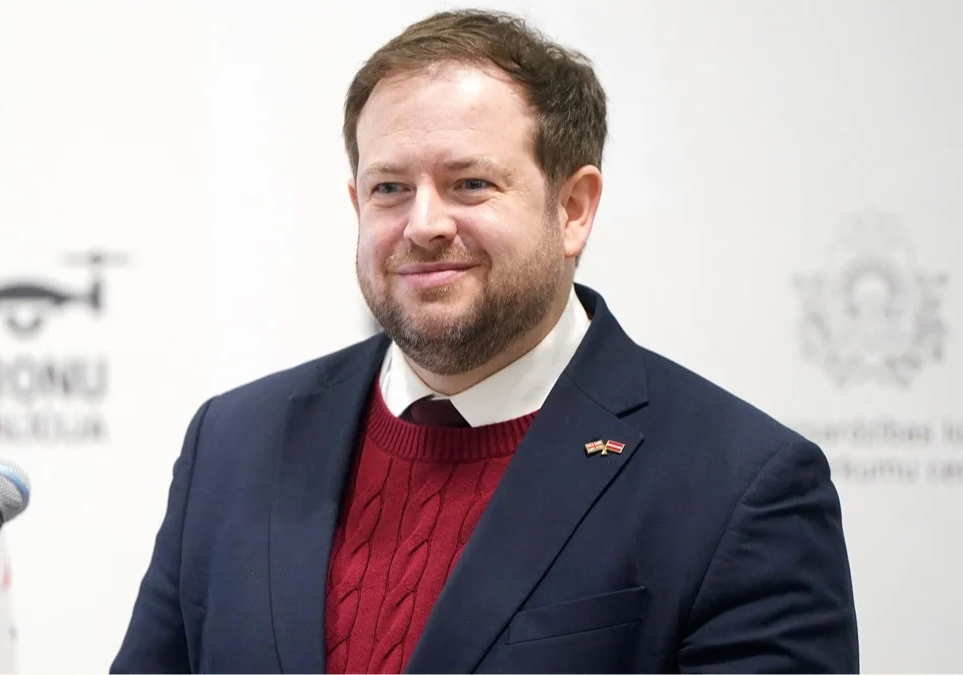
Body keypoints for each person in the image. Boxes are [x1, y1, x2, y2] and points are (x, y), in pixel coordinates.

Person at [110, 8, 859, 674]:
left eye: (469, 183)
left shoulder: (740, 488)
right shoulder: (233, 445)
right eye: (389, 188)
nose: (424, 224)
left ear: (574, 208)